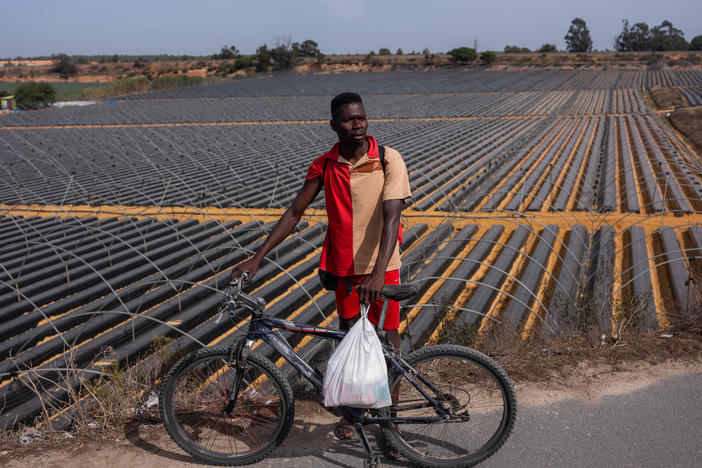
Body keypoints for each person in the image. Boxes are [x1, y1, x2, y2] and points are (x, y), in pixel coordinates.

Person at [230, 92, 411, 443]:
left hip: (382, 270)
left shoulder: (388, 160)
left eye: (360, 118)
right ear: (334, 126)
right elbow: (295, 212)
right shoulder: (325, 165)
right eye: (347, 120)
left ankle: (391, 423)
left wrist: (377, 272)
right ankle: (352, 412)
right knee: (347, 341)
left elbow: (392, 218)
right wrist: (258, 256)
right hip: (344, 270)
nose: (356, 124)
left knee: (389, 344)